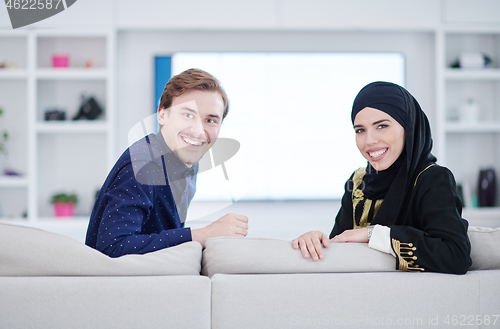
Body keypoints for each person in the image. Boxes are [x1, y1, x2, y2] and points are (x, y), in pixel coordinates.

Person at [292, 81, 471, 274]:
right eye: (360, 130)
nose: (369, 140)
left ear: (408, 127)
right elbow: (340, 248)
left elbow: (456, 255)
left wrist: (373, 235)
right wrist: (316, 241)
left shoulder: (432, 179)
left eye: (382, 126)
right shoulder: (358, 181)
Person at [86, 69, 248, 257]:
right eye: (188, 115)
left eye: (210, 120)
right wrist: (201, 235)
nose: (198, 131)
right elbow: (112, 248)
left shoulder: (183, 158)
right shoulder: (143, 167)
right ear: (162, 114)